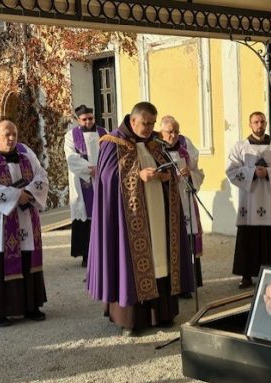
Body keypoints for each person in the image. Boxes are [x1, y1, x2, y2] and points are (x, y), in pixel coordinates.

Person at [86, 101, 194, 336]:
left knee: (161, 258)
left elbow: (170, 167)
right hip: (129, 219)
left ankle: (163, 313)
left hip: (158, 214)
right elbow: (107, 177)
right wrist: (137, 174)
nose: (149, 128)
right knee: (130, 262)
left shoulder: (156, 142)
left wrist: (167, 175)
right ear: (133, 120)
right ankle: (131, 320)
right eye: (146, 123)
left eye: (153, 123)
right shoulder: (112, 142)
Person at [0, 120, 49, 327]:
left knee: (28, 258)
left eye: (14, 134)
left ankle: (31, 306)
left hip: (26, 219)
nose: (11, 138)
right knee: (1, 264)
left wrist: (29, 193)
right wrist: (17, 196)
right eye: (6, 134)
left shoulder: (27, 157)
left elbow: (42, 177)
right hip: (2, 223)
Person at [226, 111, 271, 289]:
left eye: (262, 121)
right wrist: (252, 173)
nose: (259, 125)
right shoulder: (240, 147)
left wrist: (269, 172)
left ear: (266, 123)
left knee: (270, 237)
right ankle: (246, 275)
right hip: (249, 201)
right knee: (248, 237)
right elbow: (231, 170)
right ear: (250, 124)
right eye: (256, 122)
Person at [158, 115, 205, 298]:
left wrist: (190, 174)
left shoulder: (185, 148)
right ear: (162, 132)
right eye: (170, 132)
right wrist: (171, 177)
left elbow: (198, 172)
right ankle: (171, 286)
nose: (174, 135)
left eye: (176, 131)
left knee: (188, 242)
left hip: (185, 201)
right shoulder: (156, 149)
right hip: (166, 202)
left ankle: (187, 285)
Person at [64, 105, 107, 268]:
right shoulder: (71, 136)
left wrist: (103, 169)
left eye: (90, 118)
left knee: (102, 215)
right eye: (84, 119)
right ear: (77, 120)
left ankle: (103, 252)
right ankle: (86, 255)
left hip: (102, 179)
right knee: (84, 215)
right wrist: (90, 169)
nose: (88, 122)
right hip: (83, 180)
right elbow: (71, 157)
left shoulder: (104, 133)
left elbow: (111, 153)